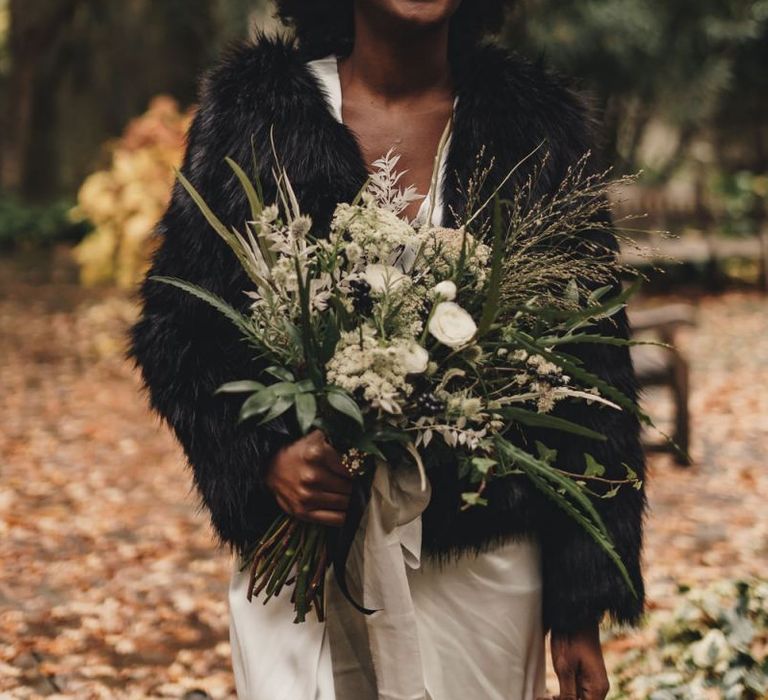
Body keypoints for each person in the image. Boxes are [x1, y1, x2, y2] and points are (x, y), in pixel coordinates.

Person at [128, 2, 647, 699]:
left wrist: (580, 604)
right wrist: (262, 456)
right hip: (305, 553)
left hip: (480, 563)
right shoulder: (255, 114)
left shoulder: (535, 127)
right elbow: (176, 329)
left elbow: (593, 367)